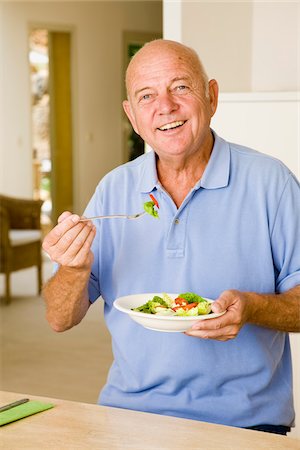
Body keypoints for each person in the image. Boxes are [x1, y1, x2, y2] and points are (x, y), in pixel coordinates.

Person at [42, 39, 300, 435]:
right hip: (128, 416)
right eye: (146, 95)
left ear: (211, 96)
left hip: (246, 425)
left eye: (180, 87)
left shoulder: (272, 183)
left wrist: (253, 307)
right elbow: (59, 318)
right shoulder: (114, 190)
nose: (165, 106)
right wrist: (74, 269)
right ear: (132, 114)